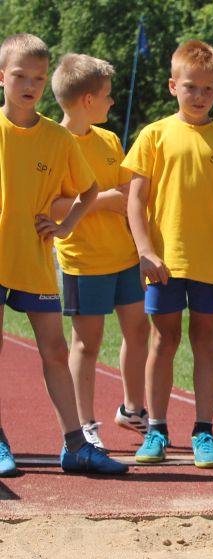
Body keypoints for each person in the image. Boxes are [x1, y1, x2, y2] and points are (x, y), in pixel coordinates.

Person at [123, 40, 213, 468]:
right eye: (190, 87)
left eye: (207, 89)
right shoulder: (154, 135)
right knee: (163, 341)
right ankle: (157, 429)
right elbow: (134, 200)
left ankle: (203, 431)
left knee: (206, 340)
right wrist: (144, 250)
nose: (198, 96)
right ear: (172, 86)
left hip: (208, 262)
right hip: (164, 260)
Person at [0, 34, 127, 476]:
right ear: (2, 77)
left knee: (54, 349)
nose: (29, 84)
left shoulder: (57, 137)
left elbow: (89, 188)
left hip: (34, 258)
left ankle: (76, 445)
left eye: (38, 76)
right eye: (20, 75)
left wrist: (67, 225)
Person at [49, 53, 151, 451]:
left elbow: (128, 195)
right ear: (87, 99)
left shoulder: (108, 139)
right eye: (107, 96)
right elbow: (51, 207)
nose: (113, 102)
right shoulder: (54, 142)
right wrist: (105, 200)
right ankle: (84, 424)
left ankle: (132, 410)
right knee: (87, 344)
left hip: (123, 256)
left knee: (138, 331)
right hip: (83, 260)